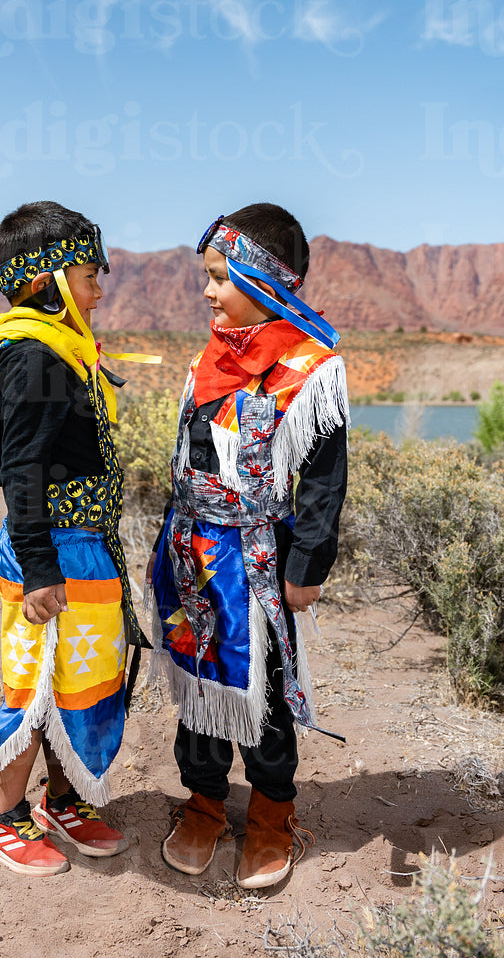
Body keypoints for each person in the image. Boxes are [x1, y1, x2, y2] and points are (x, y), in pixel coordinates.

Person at [149, 203, 348, 890]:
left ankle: (270, 813)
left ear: (263, 282)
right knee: (197, 688)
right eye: (205, 278)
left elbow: (323, 481)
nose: (206, 292)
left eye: (219, 279)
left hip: (254, 564)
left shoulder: (309, 370)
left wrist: (307, 565)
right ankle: (204, 802)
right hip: (188, 558)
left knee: (259, 696)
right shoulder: (210, 360)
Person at [0, 201, 153, 876]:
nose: (100, 287)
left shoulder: (62, 350)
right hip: (53, 553)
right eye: (89, 272)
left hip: (83, 547)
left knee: (85, 683)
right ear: (47, 280)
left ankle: (64, 800)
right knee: (35, 684)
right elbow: (22, 471)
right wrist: (40, 568)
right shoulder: (36, 356)